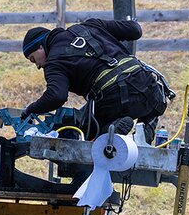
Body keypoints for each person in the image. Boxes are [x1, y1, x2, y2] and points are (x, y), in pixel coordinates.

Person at [21, 19, 175, 141]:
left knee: (83, 135)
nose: (38, 66)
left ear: (41, 47)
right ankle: (146, 126)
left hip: (116, 99)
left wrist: (31, 109)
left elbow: (56, 96)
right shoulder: (90, 26)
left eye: (34, 59)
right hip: (148, 84)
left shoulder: (55, 61)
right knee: (146, 101)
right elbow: (135, 30)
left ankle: (110, 132)